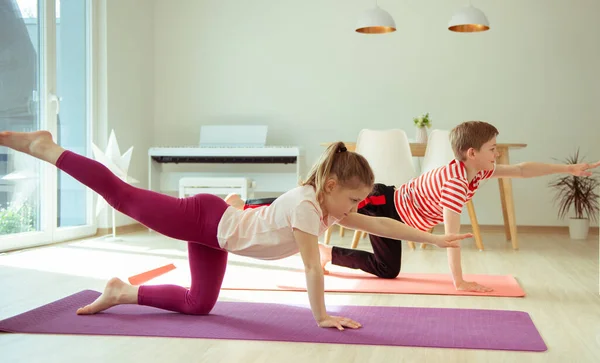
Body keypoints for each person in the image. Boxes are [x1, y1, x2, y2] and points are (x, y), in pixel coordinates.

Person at [0, 130, 473, 331]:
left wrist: (434, 238)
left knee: (197, 304)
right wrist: (321, 318)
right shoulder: (310, 208)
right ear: (330, 186)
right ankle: (48, 149)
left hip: (220, 231)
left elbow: (379, 220)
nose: (355, 208)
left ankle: (122, 292)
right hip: (204, 220)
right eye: (351, 198)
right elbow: (313, 267)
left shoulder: (325, 204)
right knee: (122, 196)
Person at [229, 121, 600, 293]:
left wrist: (567, 168)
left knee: (382, 264)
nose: (496, 155)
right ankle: (248, 206)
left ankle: (327, 253)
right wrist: (459, 281)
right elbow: (450, 235)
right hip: (385, 203)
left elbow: (520, 169)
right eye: (491, 149)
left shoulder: (476, 171)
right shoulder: (457, 181)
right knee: (310, 203)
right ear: (472, 154)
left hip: (394, 202)